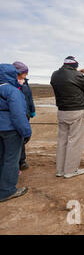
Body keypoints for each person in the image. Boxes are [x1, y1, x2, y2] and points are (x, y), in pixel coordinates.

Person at [51, 56, 84, 179]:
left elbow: (68, 81)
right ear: (75, 66)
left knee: (62, 141)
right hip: (76, 110)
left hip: (62, 111)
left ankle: (60, 170)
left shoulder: (55, 74)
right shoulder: (76, 76)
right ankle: (70, 170)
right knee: (74, 141)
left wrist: (77, 74)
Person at [0, 64, 32, 202]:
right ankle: (7, 191)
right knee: (11, 160)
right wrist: (26, 132)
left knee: (1, 158)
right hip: (10, 130)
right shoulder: (13, 91)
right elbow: (18, 115)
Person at [12, 61, 36, 172]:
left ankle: (22, 161)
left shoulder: (25, 84)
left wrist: (32, 110)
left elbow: (29, 98)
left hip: (24, 114)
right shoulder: (10, 84)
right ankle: (15, 163)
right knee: (15, 139)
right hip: (13, 116)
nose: (26, 75)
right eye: (24, 73)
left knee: (22, 139)